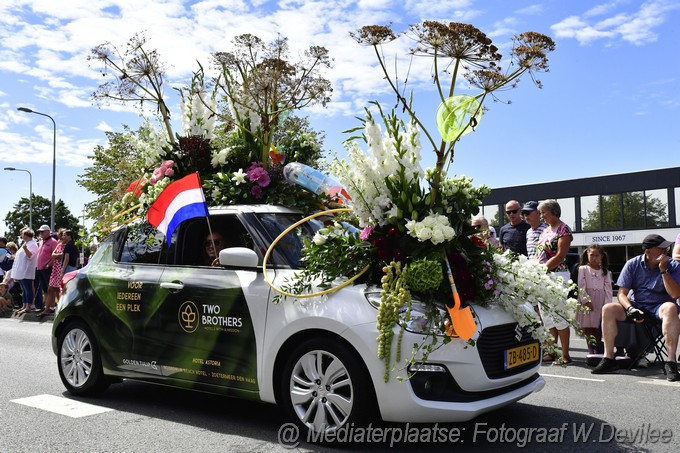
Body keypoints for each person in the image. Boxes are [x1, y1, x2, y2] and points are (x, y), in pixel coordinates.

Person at [592, 234, 680, 381]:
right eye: (661, 249)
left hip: (660, 306)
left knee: (671, 307)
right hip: (638, 305)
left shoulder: (673, 266)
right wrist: (630, 309)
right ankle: (608, 358)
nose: (666, 251)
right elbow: (622, 293)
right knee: (608, 308)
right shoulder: (633, 264)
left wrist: (663, 270)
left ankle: (670, 362)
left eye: (667, 248)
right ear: (648, 252)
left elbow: (675, 294)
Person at [536, 199, 573, 364]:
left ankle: (565, 355)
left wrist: (543, 269)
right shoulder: (545, 230)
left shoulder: (564, 230)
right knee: (547, 317)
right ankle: (551, 351)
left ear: (554, 212)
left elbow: (560, 256)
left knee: (558, 316)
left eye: (544, 212)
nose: (542, 215)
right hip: (543, 276)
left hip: (558, 276)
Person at [576, 244, 612, 354]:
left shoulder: (605, 271)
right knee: (588, 326)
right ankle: (590, 349)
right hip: (587, 298)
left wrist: (607, 305)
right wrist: (586, 301)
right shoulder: (583, 269)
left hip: (600, 301)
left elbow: (608, 290)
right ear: (587, 255)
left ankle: (598, 346)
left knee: (598, 325)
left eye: (597, 255)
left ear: (601, 256)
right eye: (592, 255)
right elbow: (581, 286)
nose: (594, 258)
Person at [11, 228, 39, 314]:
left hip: (27, 271)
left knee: (28, 289)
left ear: (26, 235)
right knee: (24, 289)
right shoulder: (26, 244)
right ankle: (24, 305)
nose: (21, 236)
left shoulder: (33, 244)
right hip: (21, 271)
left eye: (22, 234)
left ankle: (28, 306)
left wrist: (25, 249)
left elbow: (31, 256)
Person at [40, 229, 65, 316]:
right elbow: (53, 255)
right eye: (61, 234)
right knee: (50, 289)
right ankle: (47, 309)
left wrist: (56, 256)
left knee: (58, 290)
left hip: (61, 269)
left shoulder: (66, 245)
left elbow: (62, 255)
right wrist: (56, 256)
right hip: (55, 268)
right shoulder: (59, 244)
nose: (62, 236)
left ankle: (60, 309)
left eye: (64, 235)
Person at [34, 224, 58, 311]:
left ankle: (51, 306)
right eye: (40, 232)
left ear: (48, 232)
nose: (41, 233)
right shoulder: (41, 241)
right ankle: (46, 306)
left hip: (48, 268)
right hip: (40, 268)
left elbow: (55, 256)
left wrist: (49, 264)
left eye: (42, 232)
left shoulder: (53, 242)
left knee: (50, 288)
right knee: (45, 288)